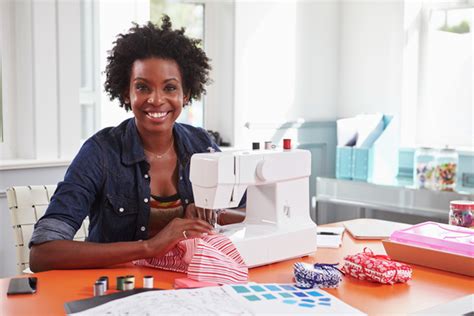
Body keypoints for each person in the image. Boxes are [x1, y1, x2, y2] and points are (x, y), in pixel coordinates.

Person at [29, 16, 245, 272]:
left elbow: (247, 213)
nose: (156, 99)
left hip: (185, 285)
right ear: (126, 93)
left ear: (185, 94)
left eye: (170, 88)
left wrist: (211, 213)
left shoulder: (201, 144)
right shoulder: (100, 152)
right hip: (114, 290)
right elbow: (43, 254)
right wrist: (150, 246)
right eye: (142, 87)